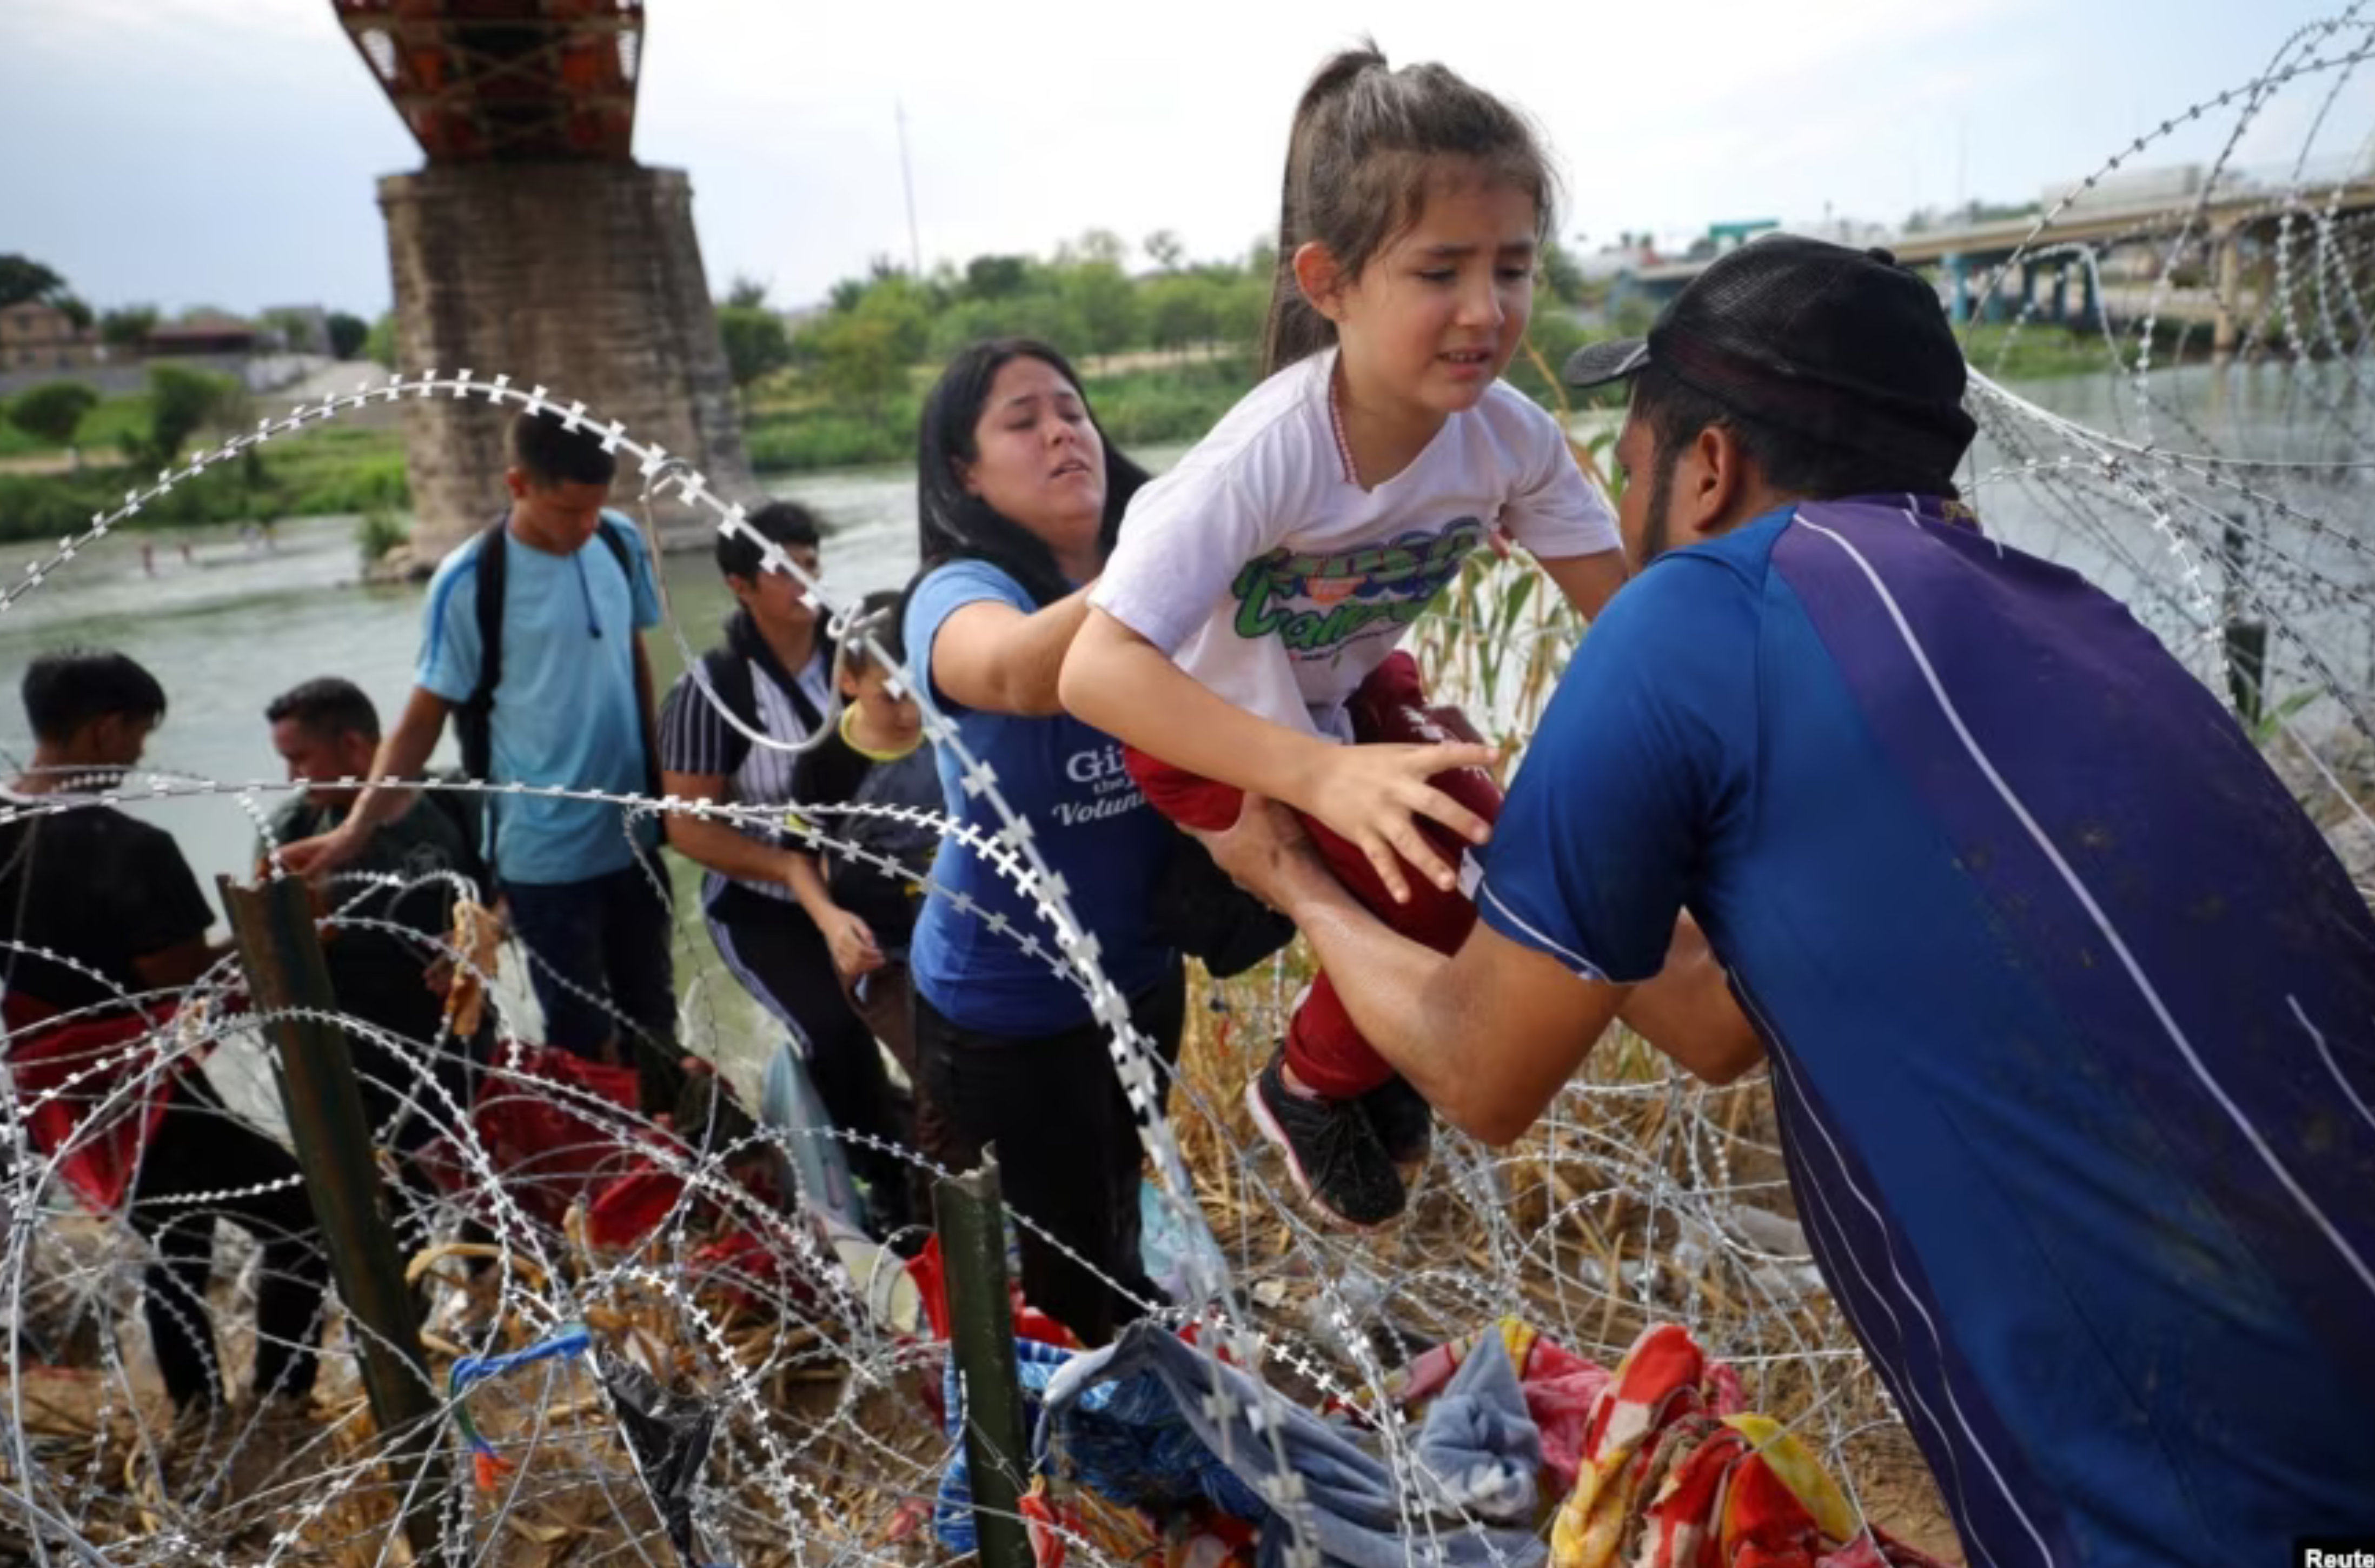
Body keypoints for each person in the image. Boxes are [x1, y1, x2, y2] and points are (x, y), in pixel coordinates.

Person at [1196, 236, 2375, 1563]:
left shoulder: (1699, 611)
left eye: (1629, 458)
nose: (1619, 489)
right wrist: (1510, 831)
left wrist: (1296, 879)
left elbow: (1480, 1067)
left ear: (1707, 469)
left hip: (2188, 1480)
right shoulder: (2068, 614)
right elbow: (1709, 1022)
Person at [1059, 45, 1627, 1229]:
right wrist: (1319, 774)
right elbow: (1097, 670)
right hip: (1207, 730)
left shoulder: (1508, 439)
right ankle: (1310, 1085)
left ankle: (1366, 1057)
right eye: (1440, 271)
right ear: (1330, 281)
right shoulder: (1270, 453)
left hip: (1345, 690)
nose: (1487, 310)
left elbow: (1623, 611)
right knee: (1429, 865)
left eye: (1513, 267)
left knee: (1490, 844)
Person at [903, 338, 1184, 1346]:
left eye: (1071, 409)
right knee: (1056, 1273)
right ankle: (1081, 1461)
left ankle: (1133, 1365)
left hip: (1141, 973)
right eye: (1022, 421)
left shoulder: (1157, 561)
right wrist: (1186, 554)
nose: (1063, 430)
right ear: (964, 473)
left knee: (1115, 1203)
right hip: (1004, 1009)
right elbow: (1018, 673)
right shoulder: (958, 591)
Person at [282, 409, 679, 1111]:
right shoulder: (471, 583)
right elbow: (419, 722)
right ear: (517, 484)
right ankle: (610, 1185)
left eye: (595, 507)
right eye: (567, 510)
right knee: (580, 1036)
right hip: (543, 850)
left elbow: (632, 655)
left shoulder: (616, 542)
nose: (584, 526)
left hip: (633, 831)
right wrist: (354, 831)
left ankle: (679, 1170)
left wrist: (662, 781)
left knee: (654, 1012)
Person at [0, 648, 329, 1418]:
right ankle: (279, 1403)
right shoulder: (131, 850)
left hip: (59, 1091)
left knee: (175, 1236)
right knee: (304, 1218)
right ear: (104, 729)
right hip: (137, 1084)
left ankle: (197, 1410)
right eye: (138, 735)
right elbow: (183, 979)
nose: (140, 755)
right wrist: (282, 930)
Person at [655, 500, 911, 1235]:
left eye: (811, 557)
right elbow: (688, 828)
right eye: (784, 565)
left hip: (874, 888)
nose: (807, 576)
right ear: (739, 586)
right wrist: (794, 868)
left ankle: (938, 1164)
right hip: (763, 905)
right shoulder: (717, 692)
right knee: (834, 1034)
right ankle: (884, 1188)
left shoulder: (858, 658)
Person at [259, 676, 482, 1238]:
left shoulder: (450, 799)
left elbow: (512, 890)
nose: (291, 777)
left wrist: (476, 935)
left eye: (301, 757)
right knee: (395, 1209)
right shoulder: (293, 829)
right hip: (359, 1052)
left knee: (485, 1187)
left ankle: (490, 1305)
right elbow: (265, 945)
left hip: (455, 1036)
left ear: (355, 746)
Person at [787, 587, 961, 1212]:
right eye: (892, 692)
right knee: (940, 1080)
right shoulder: (827, 760)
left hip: (963, 935)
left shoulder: (954, 732)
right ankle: (939, 1223)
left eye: (921, 687)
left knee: (981, 1077)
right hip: (881, 953)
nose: (910, 709)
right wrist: (831, 920)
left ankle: (986, 1209)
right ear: (850, 678)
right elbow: (797, 856)